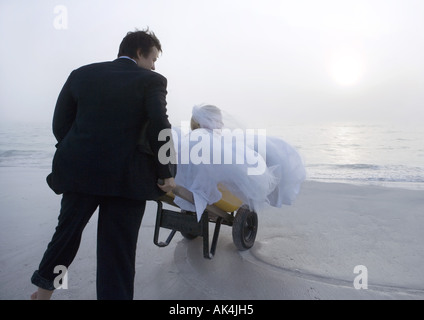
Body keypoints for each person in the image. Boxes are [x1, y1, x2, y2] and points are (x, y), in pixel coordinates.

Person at [30, 29, 176, 300]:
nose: (155, 65)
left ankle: (43, 292)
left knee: (67, 235)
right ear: (140, 53)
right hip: (127, 179)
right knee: (117, 250)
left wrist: (81, 151)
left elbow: (60, 124)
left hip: (80, 172)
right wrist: (166, 170)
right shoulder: (152, 80)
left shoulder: (81, 74)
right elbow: (160, 125)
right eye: (153, 58)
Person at [172, 104, 306, 220]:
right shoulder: (208, 140)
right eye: (218, 121)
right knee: (254, 161)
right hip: (210, 182)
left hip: (184, 181)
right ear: (208, 121)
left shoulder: (191, 137)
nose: (222, 124)